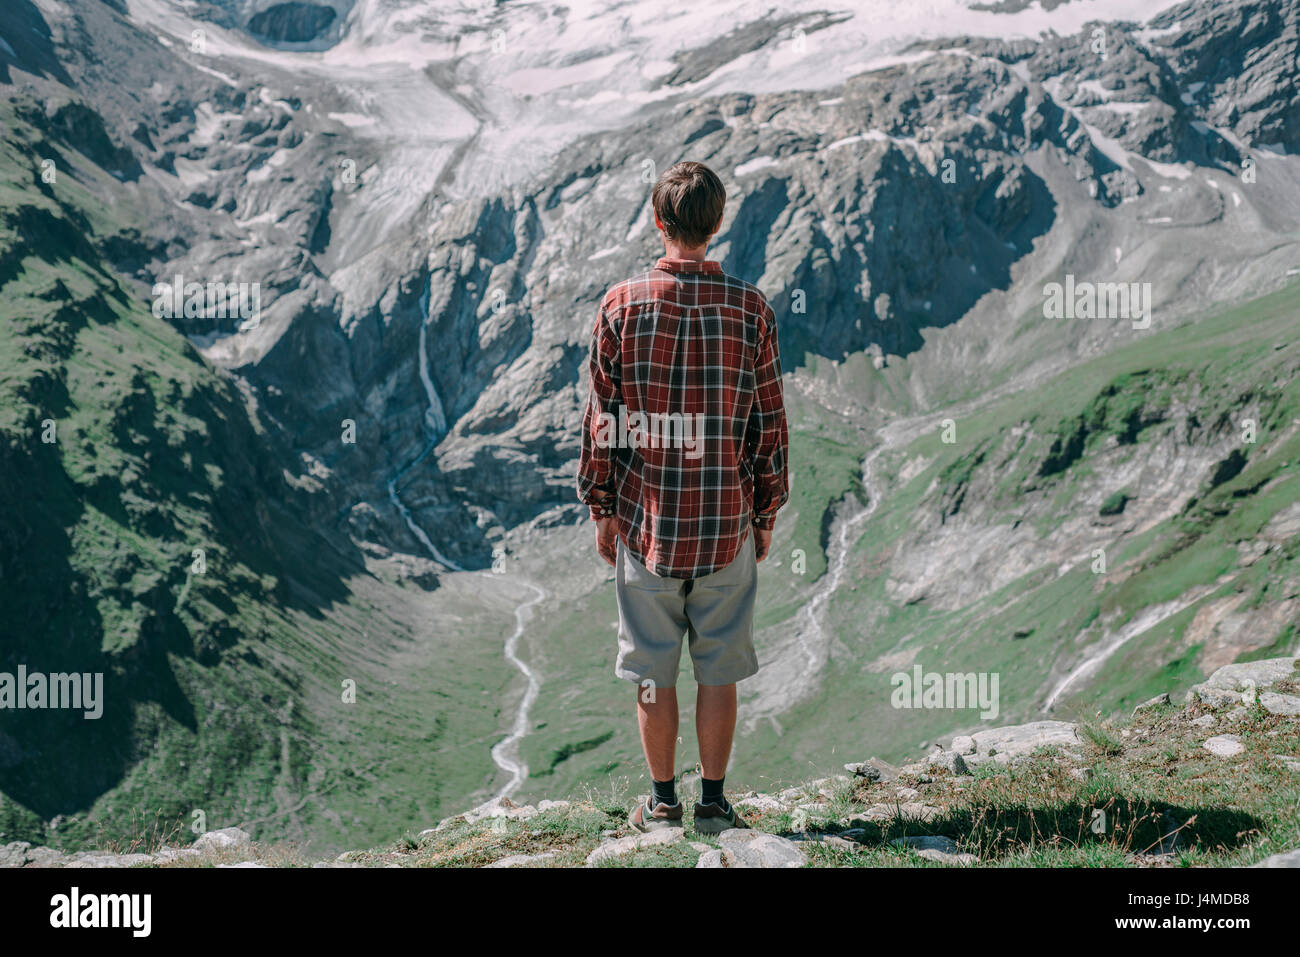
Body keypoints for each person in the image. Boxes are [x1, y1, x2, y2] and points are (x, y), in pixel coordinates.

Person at [576, 160, 790, 833]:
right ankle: (716, 801)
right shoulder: (751, 307)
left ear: (656, 218)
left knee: (651, 670)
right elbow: (768, 421)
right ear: (717, 223)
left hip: (648, 524)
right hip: (726, 520)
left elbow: (601, 417)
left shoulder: (620, 304)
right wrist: (764, 509)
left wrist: (602, 506)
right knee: (718, 667)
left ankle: (662, 800)